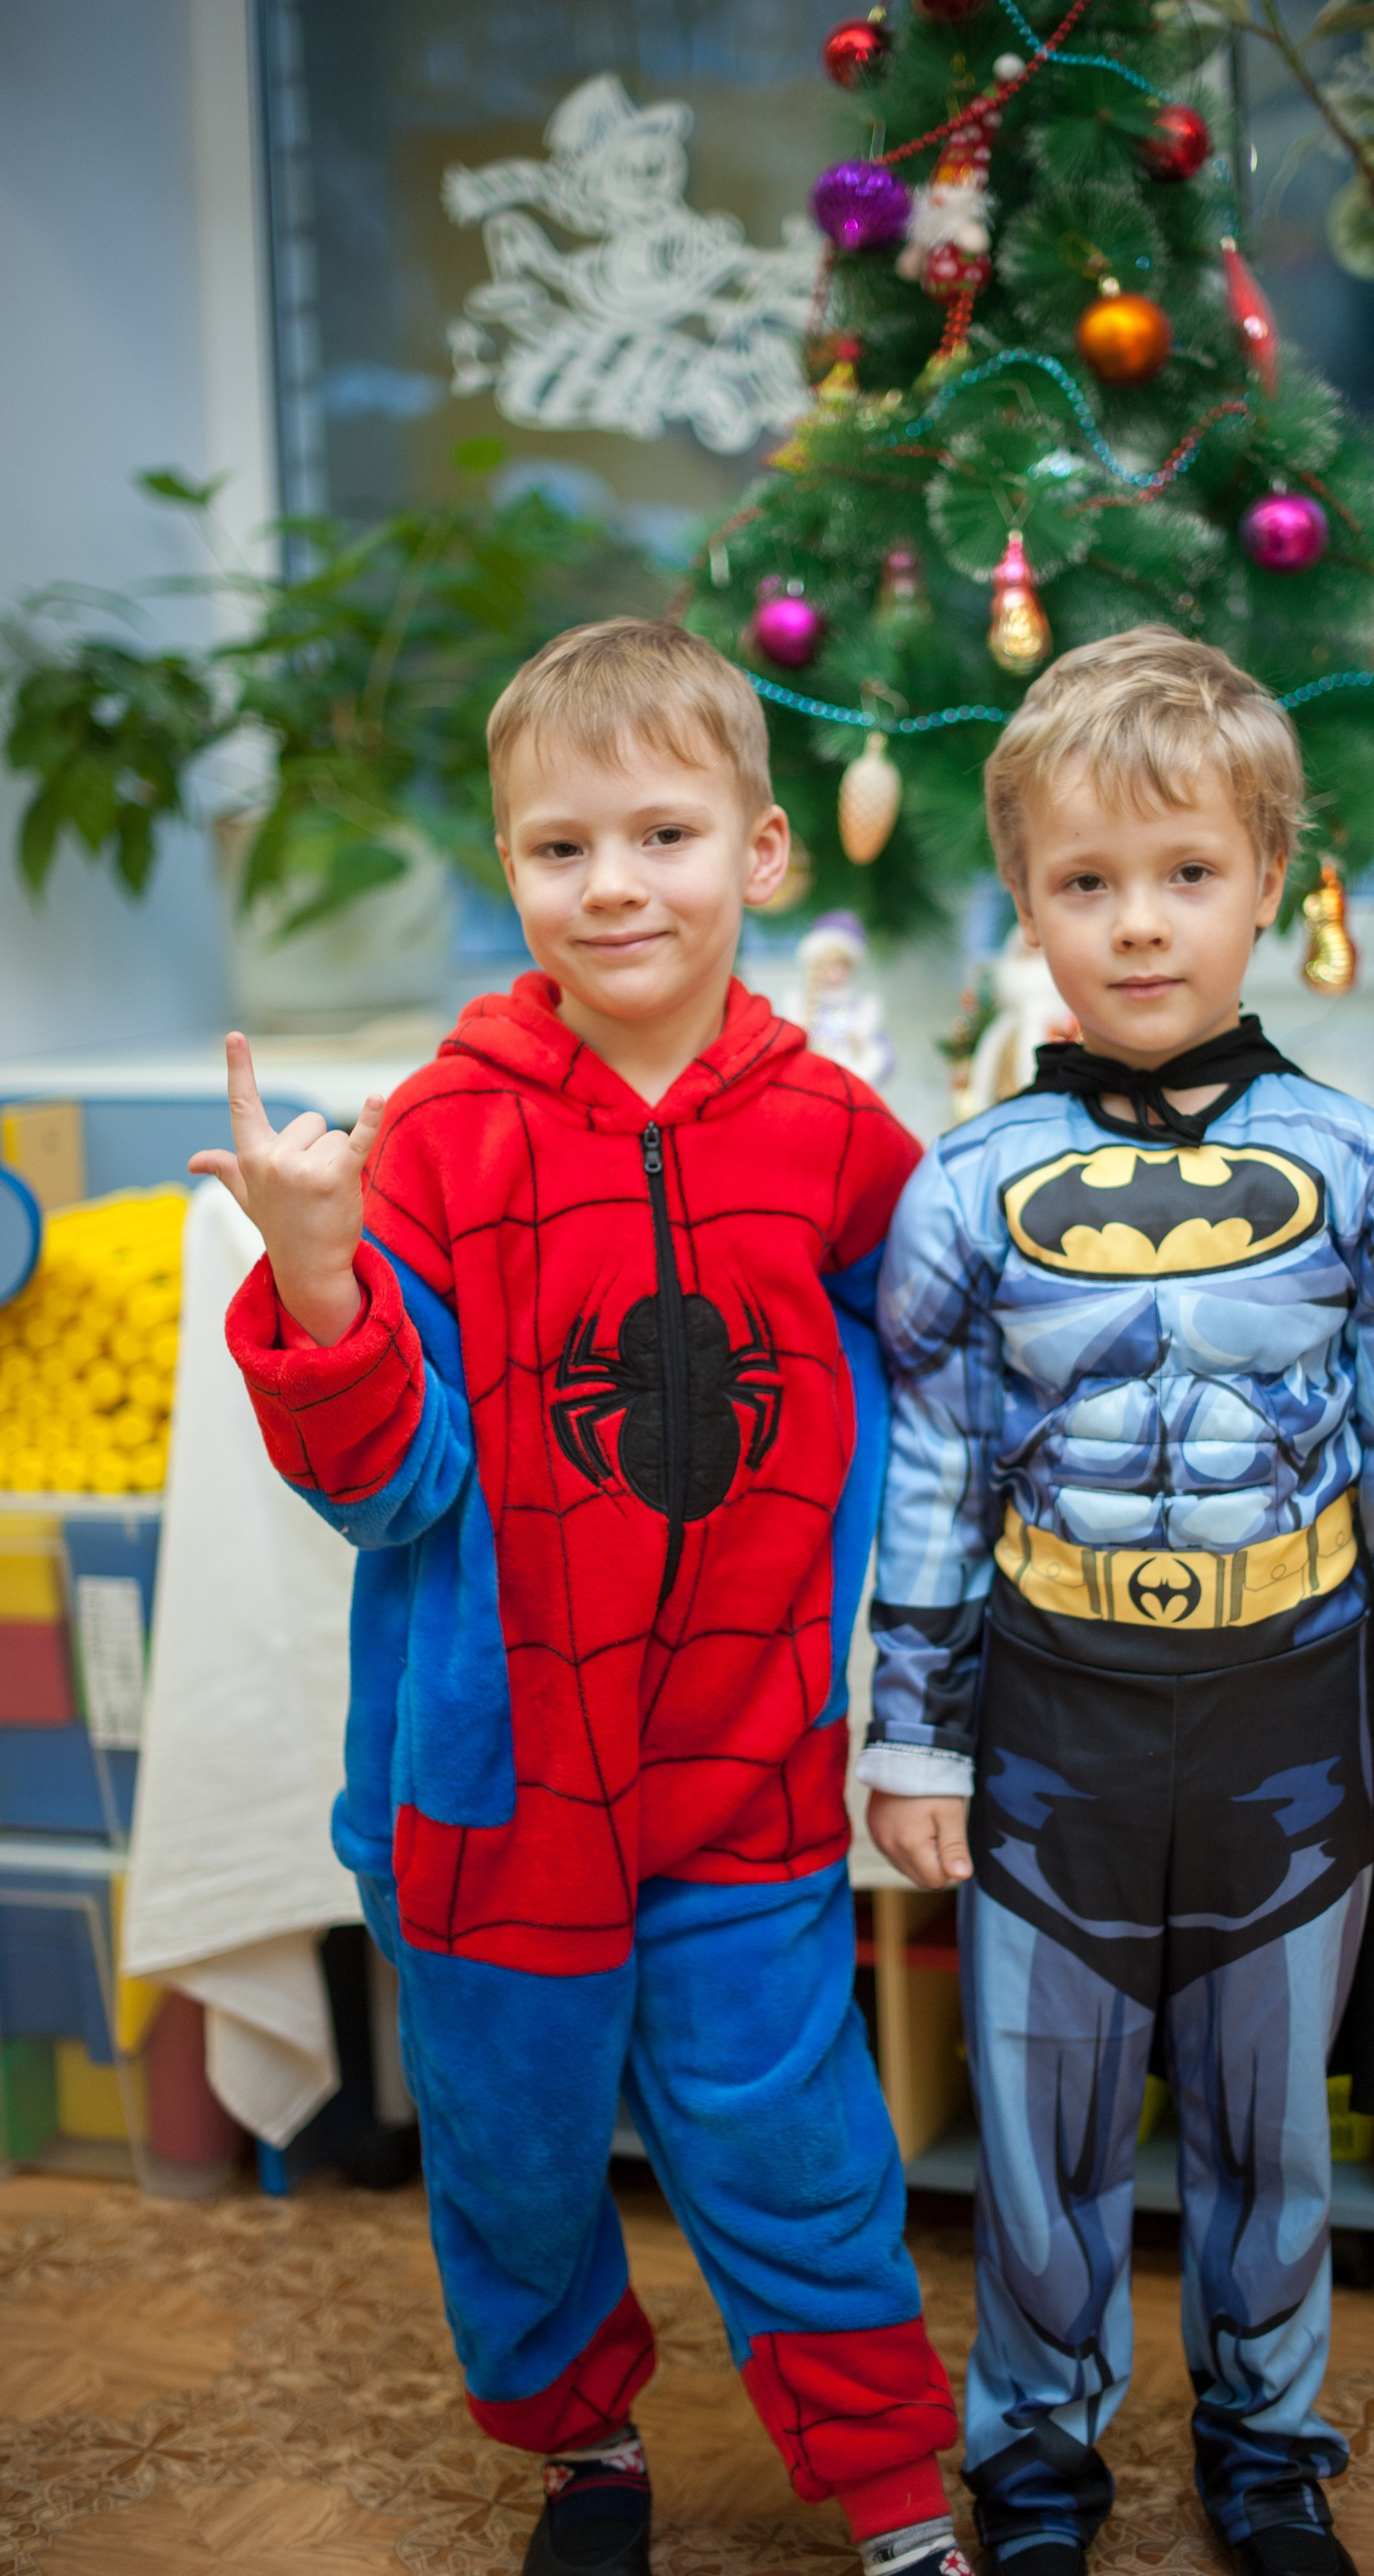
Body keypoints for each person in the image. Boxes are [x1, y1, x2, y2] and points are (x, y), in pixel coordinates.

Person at [194, 619, 964, 2576]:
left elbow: (953, 1389)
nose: (613, 884)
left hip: (742, 1765)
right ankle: (583, 2455)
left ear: (764, 856)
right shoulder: (433, 1143)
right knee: (516, 2159)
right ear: (507, 862)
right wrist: (317, 1282)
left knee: (796, 2145)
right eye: (560, 848)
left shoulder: (844, 1142)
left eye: (663, 835)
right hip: (490, 1777)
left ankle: (889, 2489)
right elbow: (393, 1490)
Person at [858, 629, 1374, 2576]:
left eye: (1187, 874)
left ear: (1272, 876)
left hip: (1286, 1723)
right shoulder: (963, 1188)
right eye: (1085, 882)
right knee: (1040, 2139)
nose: (1139, 928)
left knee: (1266, 2132)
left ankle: (1271, 2451)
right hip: (1051, 1716)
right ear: (1026, 901)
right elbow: (936, 1478)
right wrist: (915, 1734)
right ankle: (1036, 2466)